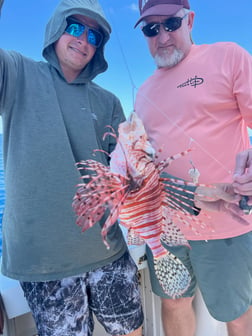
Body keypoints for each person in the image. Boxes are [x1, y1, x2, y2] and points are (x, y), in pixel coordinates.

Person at [0, 0, 144, 335]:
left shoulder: (109, 101)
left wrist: (142, 161)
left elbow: (124, 173)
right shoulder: (18, 72)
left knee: (132, 330)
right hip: (44, 262)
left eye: (94, 35)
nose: (84, 39)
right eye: (75, 27)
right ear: (55, 30)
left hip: (108, 247)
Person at [134, 0, 252, 335]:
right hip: (164, 228)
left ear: (191, 21)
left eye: (171, 23)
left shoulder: (228, 56)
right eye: (150, 28)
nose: (163, 36)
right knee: (173, 302)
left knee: (236, 311)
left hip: (226, 225)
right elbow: (141, 164)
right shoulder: (142, 93)